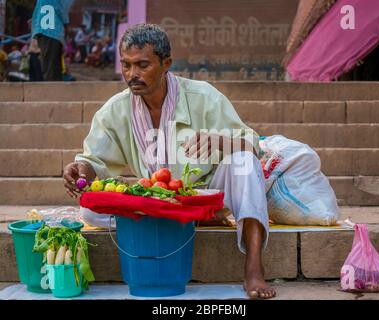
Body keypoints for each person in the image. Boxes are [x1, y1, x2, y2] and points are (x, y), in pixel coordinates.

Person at [62, 24, 276, 300]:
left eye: (142, 65)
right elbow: (94, 160)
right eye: (126, 65)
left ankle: (254, 268)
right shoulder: (114, 110)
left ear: (166, 64)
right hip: (154, 198)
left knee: (245, 162)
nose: (132, 75)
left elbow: (251, 144)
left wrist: (223, 142)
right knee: (90, 211)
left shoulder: (204, 96)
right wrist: (81, 169)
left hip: (207, 194)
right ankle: (196, 220)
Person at [31, 0, 73, 81]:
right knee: (52, 66)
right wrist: (67, 25)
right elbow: (62, 12)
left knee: (50, 65)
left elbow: (36, 16)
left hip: (44, 32)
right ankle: (52, 88)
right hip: (52, 32)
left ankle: (54, 87)